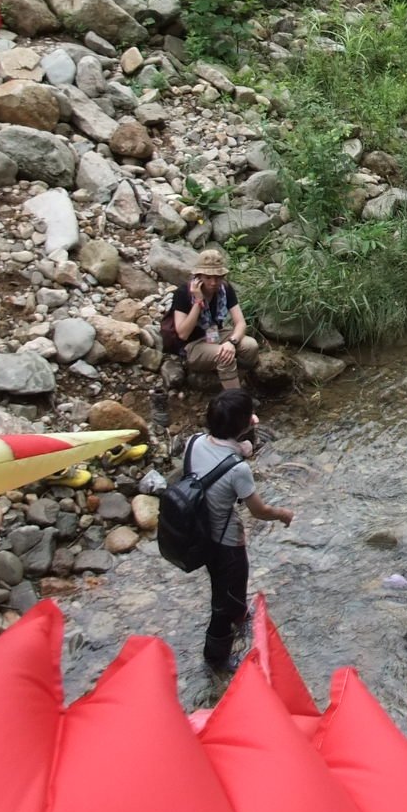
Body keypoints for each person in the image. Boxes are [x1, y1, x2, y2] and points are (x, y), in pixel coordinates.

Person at [186, 389, 293, 669]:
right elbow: (259, 511)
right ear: (242, 426)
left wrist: (240, 449)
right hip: (226, 543)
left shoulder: (193, 442)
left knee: (224, 589)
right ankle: (217, 659)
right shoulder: (237, 469)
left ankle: (239, 619)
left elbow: (214, 459)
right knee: (224, 600)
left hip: (198, 534)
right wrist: (283, 514)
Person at [171, 247, 249, 391]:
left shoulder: (225, 289)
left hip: (216, 336)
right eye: (208, 277)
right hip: (192, 345)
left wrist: (232, 343)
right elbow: (183, 333)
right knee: (224, 357)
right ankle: (238, 403)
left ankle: (238, 377)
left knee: (250, 346)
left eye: (217, 277)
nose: (213, 283)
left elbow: (241, 323)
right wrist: (198, 302)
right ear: (199, 277)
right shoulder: (183, 293)